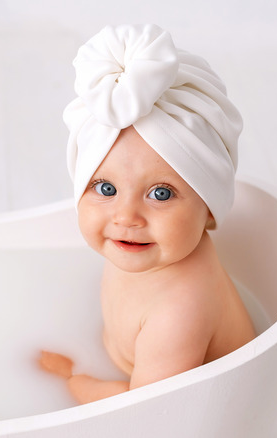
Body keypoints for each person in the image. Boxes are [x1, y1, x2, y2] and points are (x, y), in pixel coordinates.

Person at [39, 24, 255, 405]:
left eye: (160, 193)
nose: (126, 216)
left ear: (208, 208)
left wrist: (75, 382)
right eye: (105, 188)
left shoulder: (180, 312)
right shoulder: (144, 245)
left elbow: (148, 412)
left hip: (201, 412)